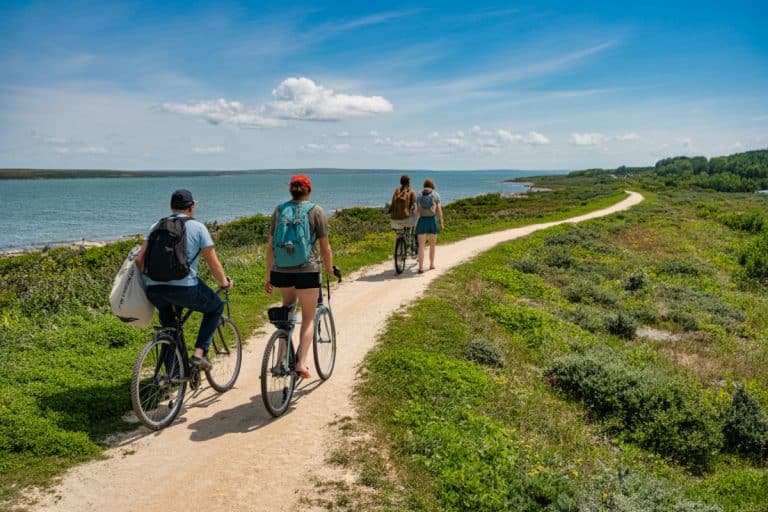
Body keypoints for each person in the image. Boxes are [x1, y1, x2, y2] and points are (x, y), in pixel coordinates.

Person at [136, 189, 232, 370]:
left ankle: (172, 375)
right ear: (191, 207)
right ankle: (199, 355)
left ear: (171, 207)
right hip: (184, 288)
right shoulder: (198, 227)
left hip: (155, 290)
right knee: (216, 307)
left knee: (170, 328)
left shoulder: (156, 226)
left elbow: (139, 259)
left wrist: (151, 279)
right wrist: (224, 283)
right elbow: (213, 262)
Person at [264, 174, 335, 380]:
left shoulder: (279, 210)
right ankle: (301, 363)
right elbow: (325, 247)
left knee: (287, 312)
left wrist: (268, 276)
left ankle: (278, 362)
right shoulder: (316, 211)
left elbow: (270, 248)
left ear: (291, 191)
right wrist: (329, 268)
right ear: (309, 190)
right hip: (307, 271)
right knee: (308, 318)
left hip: (281, 271)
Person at [414, 178, 444, 273]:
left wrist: (415, 223)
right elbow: (439, 210)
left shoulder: (419, 195)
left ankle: (421, 267)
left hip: (422, 221)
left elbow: (416, 211)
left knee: (421, 246)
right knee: (432, 245)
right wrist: (441, 222)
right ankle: (431, 264)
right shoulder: (436, 194)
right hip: (432, 220)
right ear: (432, 186)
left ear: (424, 185)